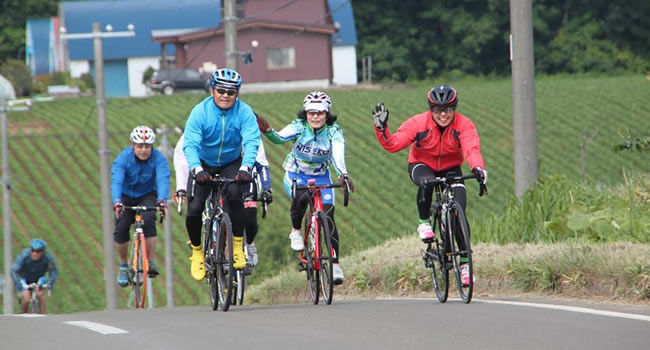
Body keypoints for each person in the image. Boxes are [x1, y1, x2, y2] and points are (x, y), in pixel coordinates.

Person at [372, 85, 487, 286]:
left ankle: (465, 266)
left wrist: (477, 168)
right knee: (426, 183)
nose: (443, 114)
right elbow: (394, 144)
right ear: (430, 110)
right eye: (438, 110)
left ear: (455, 109)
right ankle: (424, 222)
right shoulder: (418, 123)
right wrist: (381, 129)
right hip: (422, 164)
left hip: (451, 167)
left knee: (459, 213)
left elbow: (471, 148)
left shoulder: (464, 125)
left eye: (448, 109)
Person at [255, 91, 354, 284]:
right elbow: (278, 139)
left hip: (321, 177)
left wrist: (343, 174)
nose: (315, 116)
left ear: (327, 114)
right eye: (311, 113)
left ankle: (334, 264)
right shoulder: (298, 127)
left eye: (320, 113)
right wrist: (266, 130)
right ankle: (296, 230)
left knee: (328, 215)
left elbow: (338, 155)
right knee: (301, 198)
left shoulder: (334, 131)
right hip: (295, 174)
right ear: (306, 114)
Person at [183, 68, 260, 280]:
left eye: (231, 92)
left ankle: (236, 248)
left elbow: (252, 141)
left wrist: (246, 168)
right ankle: (197, 252)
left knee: (236, 195)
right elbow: (189, 144)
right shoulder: (200, 112)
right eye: (221, 90)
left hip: (231, 162)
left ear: (237, 94)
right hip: (204, 164)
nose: (225, 95)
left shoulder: (244, 112)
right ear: (212, 91)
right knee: (195, 208)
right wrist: (197, 169)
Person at [173, 131, 273, 267]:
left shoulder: (247, 127)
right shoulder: (200, 124)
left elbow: (261, 163)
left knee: (249, 216)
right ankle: (213, 246)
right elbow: (182, 161)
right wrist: (181, 187)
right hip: (206, 169)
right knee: (200, 206)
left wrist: (266, 188)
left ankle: (247, 244)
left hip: (242, 173)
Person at [111, 125, 170, 287]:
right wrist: (116, 201)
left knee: (150, 218)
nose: (144, 150)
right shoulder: (123, 158)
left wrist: (162, 200)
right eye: (140, 146)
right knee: (121, 227)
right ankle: (123, 266)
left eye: (147, 146)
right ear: (133, 145)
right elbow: (116, 180)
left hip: (147, 194)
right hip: (125, 195)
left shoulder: (158, 158)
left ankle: (150, 261)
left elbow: (163, 179)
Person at [11, 239, 58, 314]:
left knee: (40, 294)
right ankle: (23, 315)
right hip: (25, 278)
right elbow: (14, 270)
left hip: (39, 278)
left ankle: (43, 315)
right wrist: (17, 284)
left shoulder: (47, 257)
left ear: (42, 252)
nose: (34, 253)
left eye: (38, 251)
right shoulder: (24, 255)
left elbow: (53, 271)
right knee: (26, 299)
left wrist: (51, 282)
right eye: (32, 250)